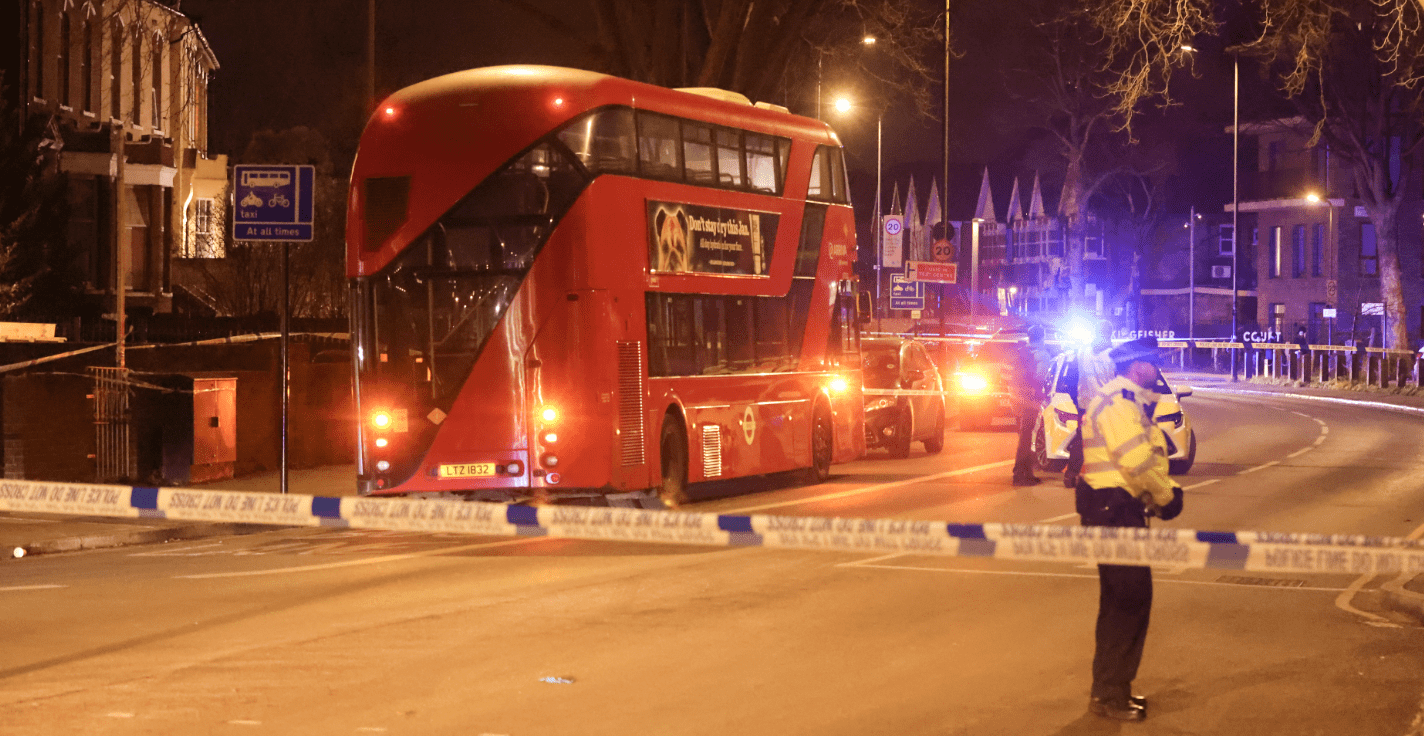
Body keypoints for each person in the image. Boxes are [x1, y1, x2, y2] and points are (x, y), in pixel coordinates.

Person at [1076, 336, 1184, 722]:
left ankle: (1110, 691)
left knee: (1121, 606)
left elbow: (1144, 461)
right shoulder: (1119, 404)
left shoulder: (1130, 404)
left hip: (1119, 512)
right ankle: (1110, 696)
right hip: (1114, 514)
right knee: (1128, 605)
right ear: (1138, 366)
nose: (1158, 371)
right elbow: (1136, 461)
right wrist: (1166, 496)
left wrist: (1157, 496)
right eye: (1154, 364)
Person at [1063, 321, 1114, 488]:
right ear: (1109, 334)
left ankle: (1071, 475)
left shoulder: (1083, 351)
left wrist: (1074, 397)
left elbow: (1071, 375)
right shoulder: (1114, 354)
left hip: (1085, 404)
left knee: (1082, 438)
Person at [1011, 324, 1053, 486]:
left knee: (1024, 436)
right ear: (1042, 337)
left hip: (1018, 398)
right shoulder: (1042, 354)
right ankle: (1022, 474)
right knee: (1029, 437)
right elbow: (1041, 377)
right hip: (1032, 400)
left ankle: (1023, 471)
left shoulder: (1022, 352)